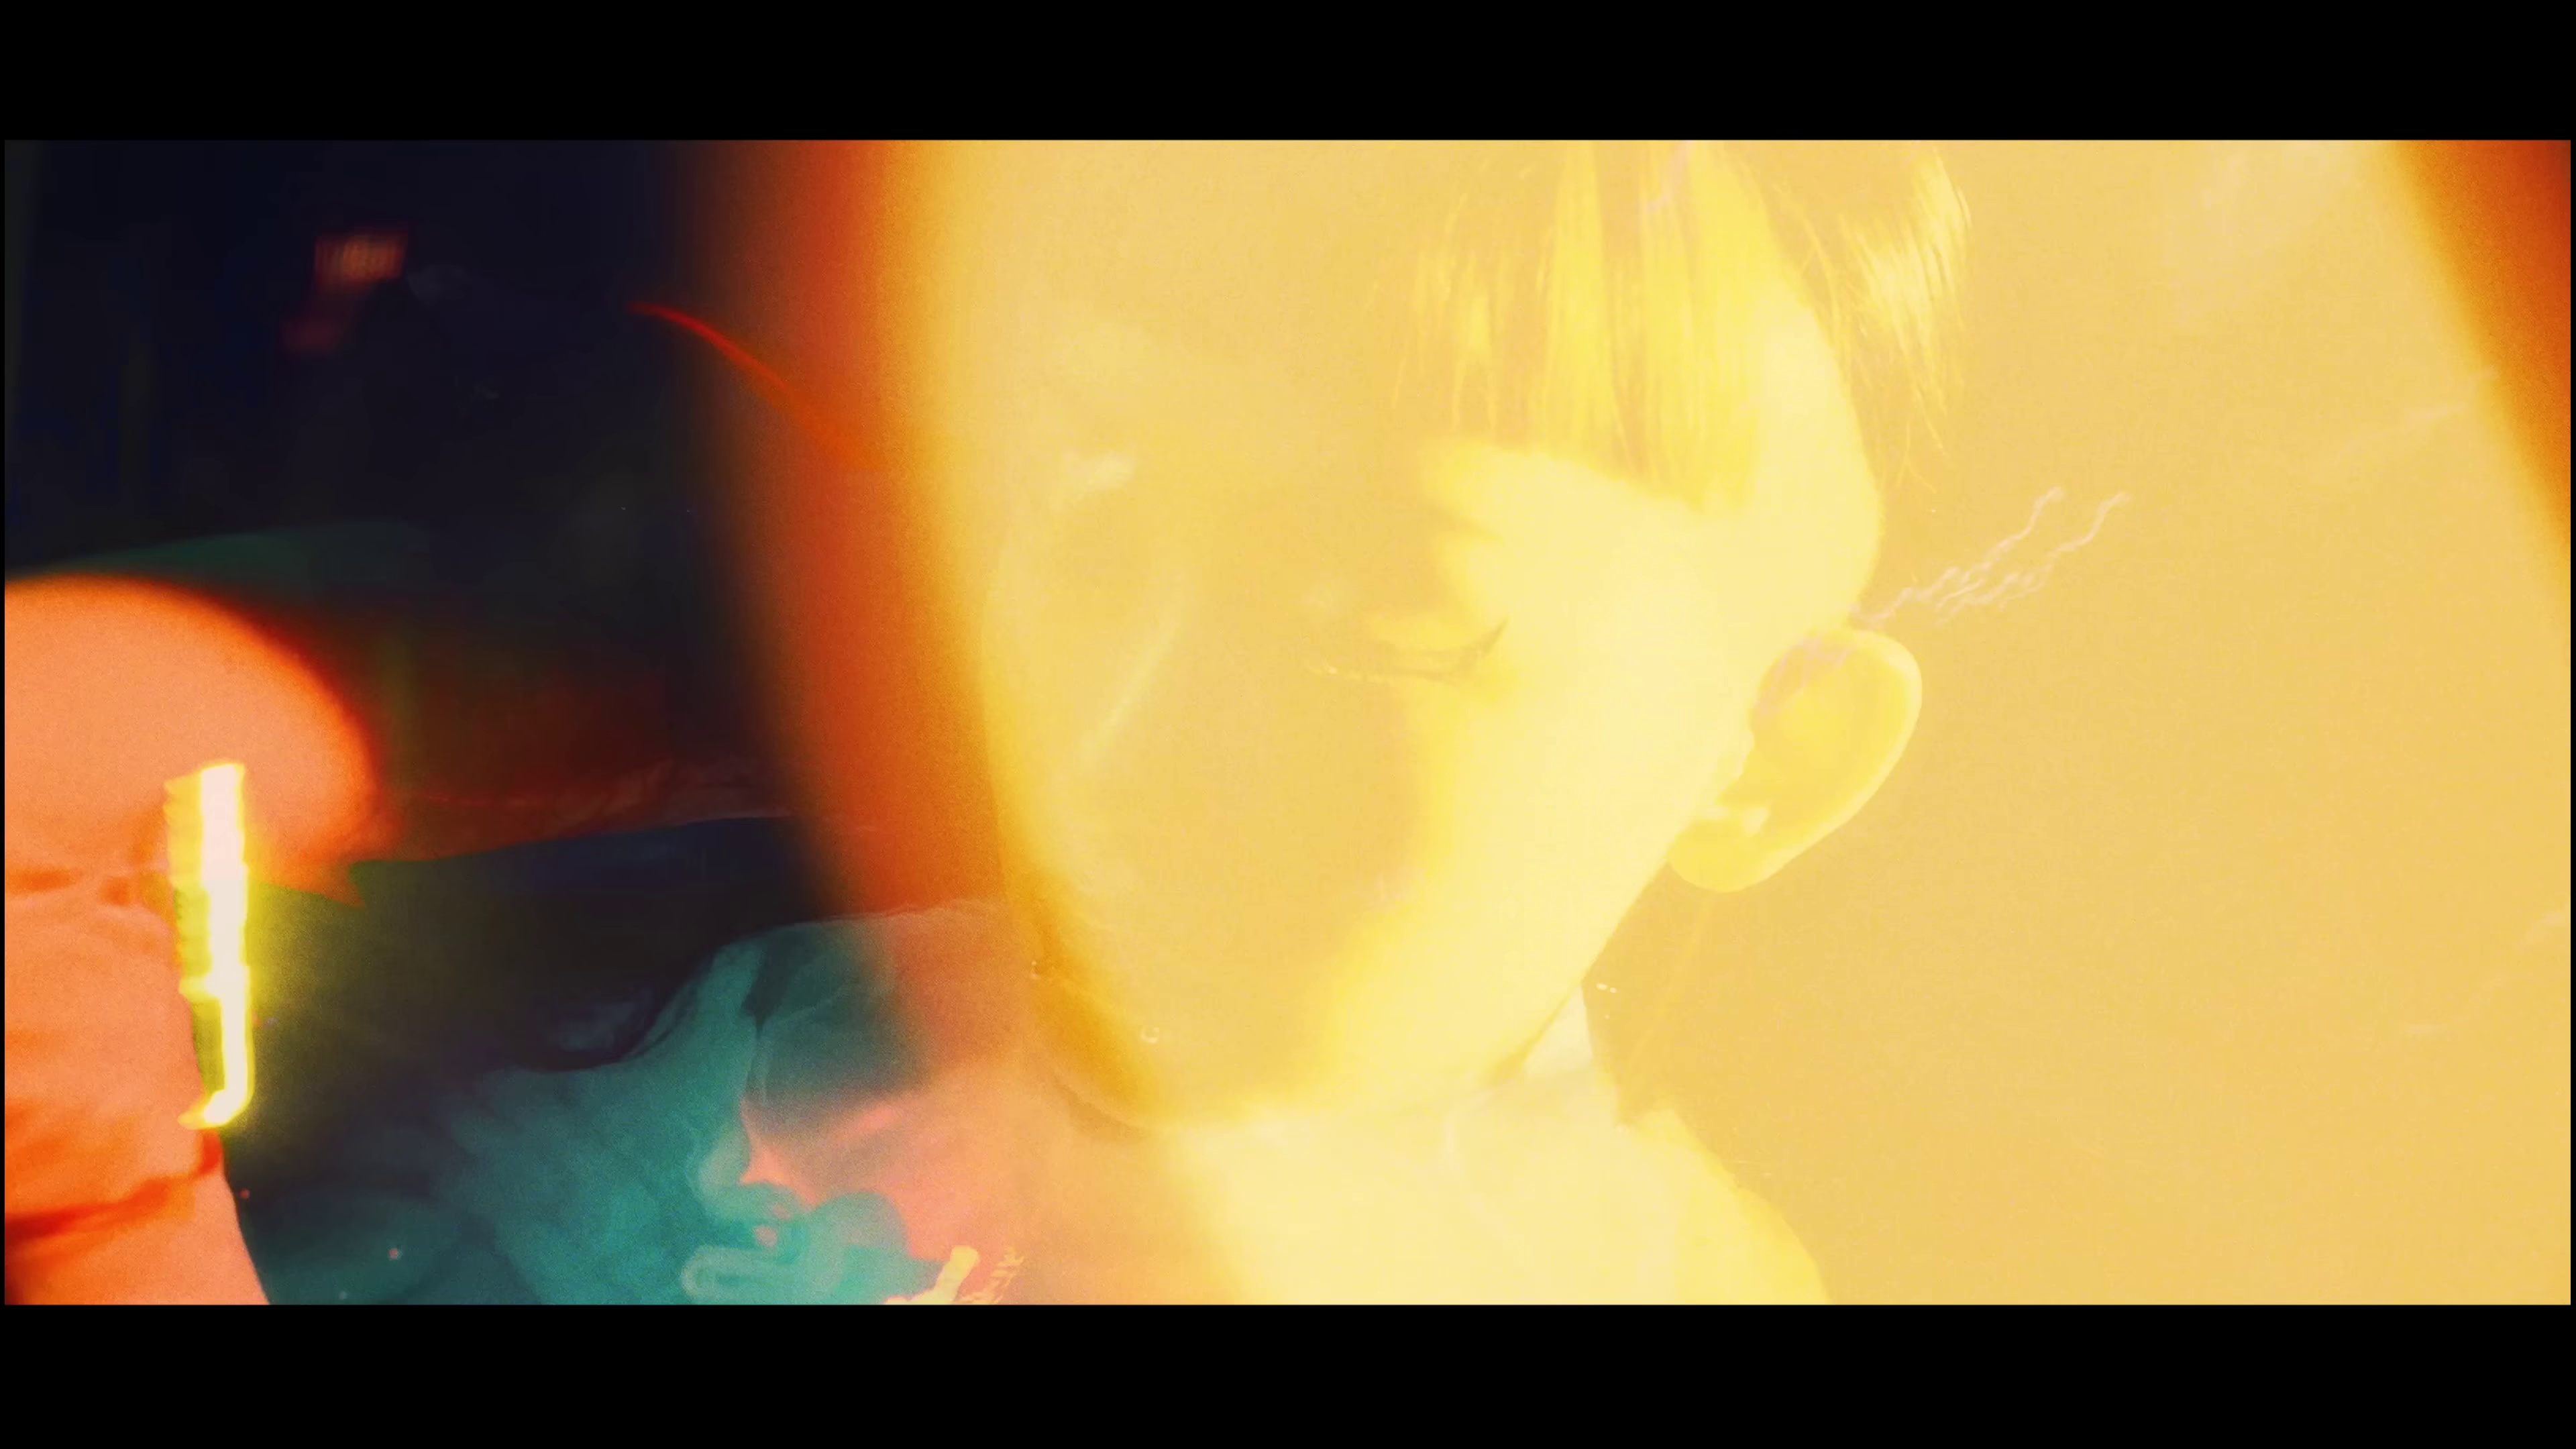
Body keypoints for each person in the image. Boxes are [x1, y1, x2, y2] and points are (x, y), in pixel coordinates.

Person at [722, 141, 1961, 1301]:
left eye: (1380, 622)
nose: (1106, 751)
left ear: (1776, 754)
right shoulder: (733, 1077)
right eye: (1085, 529)